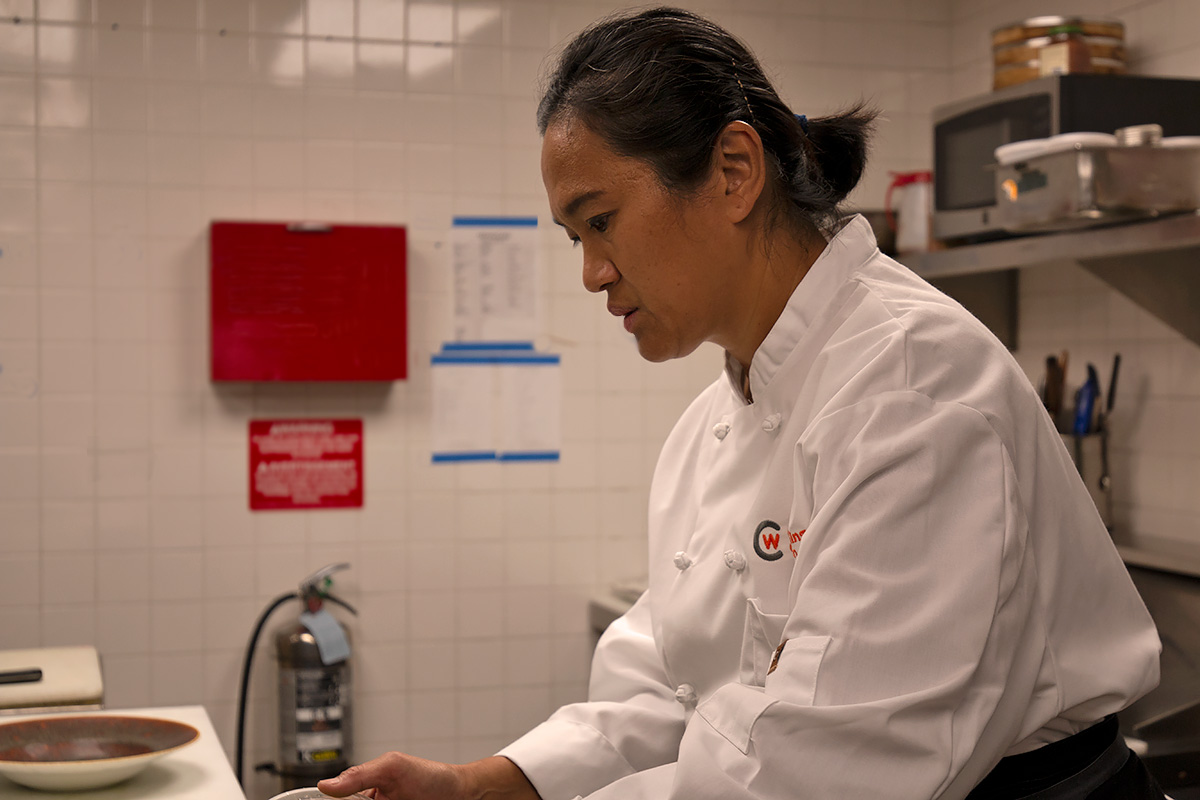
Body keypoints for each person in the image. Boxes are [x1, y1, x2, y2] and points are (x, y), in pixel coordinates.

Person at [319, 7, 1164, 799]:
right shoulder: (716, 420)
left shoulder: (915, 392)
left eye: (603, 219)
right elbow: (669, 686)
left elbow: (819, 771)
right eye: (577, 237)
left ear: (733, 172)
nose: (591, 272)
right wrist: (485, 785)